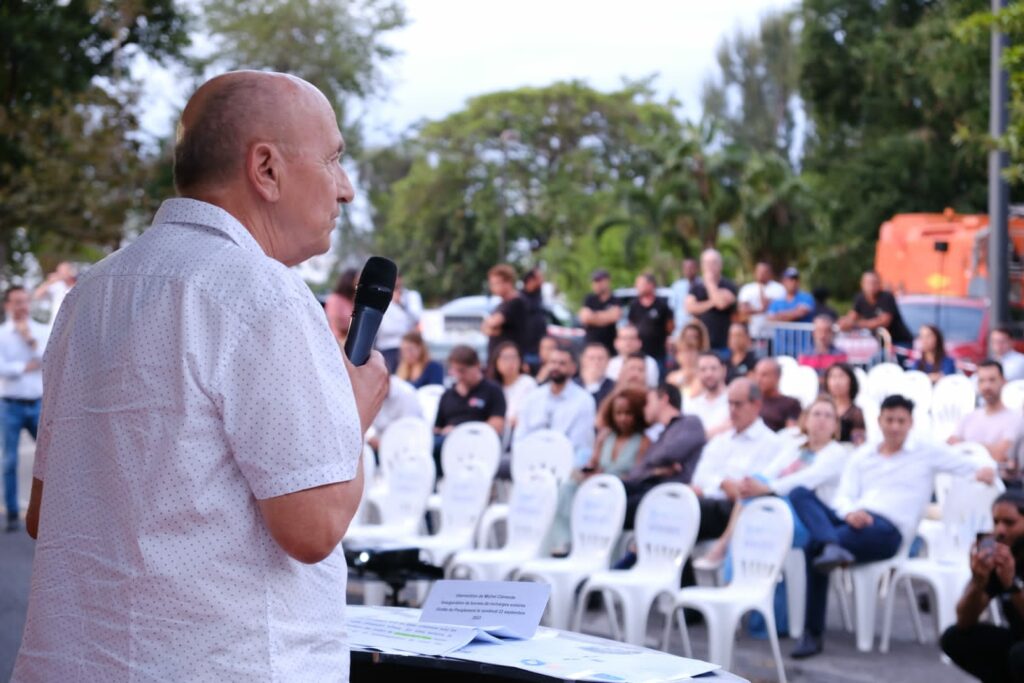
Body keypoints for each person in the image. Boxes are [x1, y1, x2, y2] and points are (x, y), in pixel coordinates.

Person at [13, 71, 390, 681]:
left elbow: (45, 512)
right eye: (333, 159)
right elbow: (313, 527)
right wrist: (354, 414)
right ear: (265, 168)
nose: (344, 189)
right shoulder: (261, 290)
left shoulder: (92, 291)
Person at [788, 394, 996, 659]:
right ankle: (830, 545)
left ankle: (812, 631)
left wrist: (988, 469)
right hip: (852, 521)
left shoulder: (926, 451)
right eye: (890, 420)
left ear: (910, 423)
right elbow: (843, 496)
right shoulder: (864, 454)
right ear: (879, 421)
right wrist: (851, 512)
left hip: (887, 530)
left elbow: (973, 463)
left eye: (901, 421)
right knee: (799, 493)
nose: (895, 427)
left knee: (812, 547)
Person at [697, 396, 847, 568]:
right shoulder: (796, 447)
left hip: (808, 518)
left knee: (753, 512)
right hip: (779, 507)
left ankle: (723, 545)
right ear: (805, 420)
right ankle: (736, 574)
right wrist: (752, 484)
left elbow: (806, 480)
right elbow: (770, 471)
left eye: (828, 416)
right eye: (817, 414)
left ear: (836, 425)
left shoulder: (836, 453)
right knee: (752, 505)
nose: (822, 419)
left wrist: (766, 488)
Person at [548, 388, 649, 553]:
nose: (623, 418)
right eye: (619, 413)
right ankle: (564, 542)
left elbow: (637, 475)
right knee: (566, 488)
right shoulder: (605, 436)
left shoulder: (643, 441)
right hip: (595, 486)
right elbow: (593, 463)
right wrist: (588, 473)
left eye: (628, 413)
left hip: (620, 491)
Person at [941, 490, 1024, 683]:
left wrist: (1012, 585)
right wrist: (979, 582)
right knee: (955, 638)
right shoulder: (1002, 557)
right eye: (996, 522)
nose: (1000, 531)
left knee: (1019, 655)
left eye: (1009, 523)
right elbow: (964, 620)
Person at [690, 378, 782, 540]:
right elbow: (699, 475)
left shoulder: (771, 443)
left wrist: (717, 485)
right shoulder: (721, 440)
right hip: (709, 501)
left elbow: (747, 487)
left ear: (756, 405)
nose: (732, 410)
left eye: (738, 404)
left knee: (688, 509)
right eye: (729, 403)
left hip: (740, 510)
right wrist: (722, 483)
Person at [620, 383, 706, 528]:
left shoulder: (690, 422)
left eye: (648, 402)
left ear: (664, 399)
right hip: (648, 487)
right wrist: (655, 470)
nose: (644, 409)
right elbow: (637, 472)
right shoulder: (662, 433)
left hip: (669, 493)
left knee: (621, 505)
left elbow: (668, 453)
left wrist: (652, 465)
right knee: (610, 490)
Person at [0, 286, 49, 532]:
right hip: (10, 405)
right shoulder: (1, 334)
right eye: (16, 302)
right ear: (7, 305)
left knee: (50, 459)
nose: (22, 307)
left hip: (38, 404)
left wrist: (28, 339)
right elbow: (2, 368)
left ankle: (48, 512)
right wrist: (25, 367)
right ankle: (11, 513)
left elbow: (48, 357)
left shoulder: (41, 331)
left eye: (25, 301)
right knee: (9, 461)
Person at [514, 345, 596, 467]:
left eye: (562, 363)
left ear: (573, 368)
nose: (556, 367)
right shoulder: (533, 397)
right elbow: (520, 437)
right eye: (553, 362)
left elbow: (580, 445)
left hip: (565, 463)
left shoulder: (584, 401)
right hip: (530, 461)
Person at [434, 345, 506, 476]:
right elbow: (437, 428)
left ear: (477, 366)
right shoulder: (448, 395)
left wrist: (459, 431)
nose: (459, 376)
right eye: (455, 371)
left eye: (462, 371)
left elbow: (497, 425)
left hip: (478, 444)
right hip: (447, 445)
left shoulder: (492, 390)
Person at [950, 360, 1023, 481]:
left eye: (992, 380)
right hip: (965, 482)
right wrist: (988, 449)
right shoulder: (968, 418)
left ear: (1003, 382)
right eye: (981, 381)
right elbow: (950, 447)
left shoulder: (1016, 418)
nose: (986, 386)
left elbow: (1000, 455)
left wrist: (966, 448)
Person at [838, 270, 913, 350]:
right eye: (868, 283)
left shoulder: (886, 297)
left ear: (879, 284)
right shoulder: (860, 298)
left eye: (874, 283)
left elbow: (884, 322)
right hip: (878, 343)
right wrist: (843, 323)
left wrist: (856, 324)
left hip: (899, 342)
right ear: (862, 284)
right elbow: (851, 317)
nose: (871, 286)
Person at [686, 248, 738, 354]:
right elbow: (690, 308)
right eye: (707, 263)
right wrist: (713, 301)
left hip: (723, 343)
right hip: (701, 343)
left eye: (713, 262)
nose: (710, 266)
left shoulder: (729, 285)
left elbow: (721, 304)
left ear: (720, 265)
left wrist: (710, 284)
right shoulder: (696, 287)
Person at [488, 341, 537, 447]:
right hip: (493, 435)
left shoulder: (527, 383)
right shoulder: (490, 387)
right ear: (496, 361)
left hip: (519, 435)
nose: (510, 362)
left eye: (514, 357)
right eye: (505, 358)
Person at [375, 274, 422, 373]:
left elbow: (417, 318)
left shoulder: (411, 296)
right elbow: (382, 327)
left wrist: (401, 304)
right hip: (387, 347)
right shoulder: (379, 297)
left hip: (408, 345)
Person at [627, 273, 674, 370]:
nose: (637, 287)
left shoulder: (661, 305)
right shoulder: (634, 305)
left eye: (640, 284)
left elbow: (670, 326)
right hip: (639, 352)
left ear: (650, 285)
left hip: (658, 353)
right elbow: (630, 325)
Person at [482, 263, 528, 361]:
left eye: (495, 283)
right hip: (497, 359)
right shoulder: (501, 304)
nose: (492, 287)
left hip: (509, 361)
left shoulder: (516, 302)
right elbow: (485, 328)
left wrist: (493, 327)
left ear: (508, 282)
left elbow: (493, 322)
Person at [367, 375, 422, 453]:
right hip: (380, 443)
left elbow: (409, 431)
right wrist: (371, 437)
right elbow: (367, 425)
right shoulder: (370, 394)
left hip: (409, 445)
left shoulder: (407, 394)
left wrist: (384, 444)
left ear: (387, 381)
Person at [684, 352, 731, 438]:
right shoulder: (691, 403)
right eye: (703, 369)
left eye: (713, 368)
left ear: (724, 370)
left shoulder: (735, 400)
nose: (708, 374)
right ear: (697, 373)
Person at [737, 261, 785, 340]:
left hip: (774, 335)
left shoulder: (779, 288)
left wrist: (753, 309)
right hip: (753, 333)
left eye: (764, 271)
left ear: (770, 273)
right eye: (759, 271)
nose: (761, 274)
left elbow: (775, 307)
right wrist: (760, 310)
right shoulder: (747, 289)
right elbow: (743, 310)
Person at [579, 268, 621, 355]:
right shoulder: (589, 299)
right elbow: (585, 318)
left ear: (608, 281)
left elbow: (615, 316)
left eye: (599, 281)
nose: (597, 284)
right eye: (595, 281)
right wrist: (606, 316)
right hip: (591, 346)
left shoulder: (615, 299)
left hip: (609, 347)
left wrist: (594, 317)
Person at [754, 357, 802, 432]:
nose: (759, 379)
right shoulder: (750, 402)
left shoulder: (791, 404)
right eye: (757, 374)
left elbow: (792, 433)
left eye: (764, 375)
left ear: (777, 377)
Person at [824, 363, 867, 445]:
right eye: (832, 377)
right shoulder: (821, 409)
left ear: (851, 381)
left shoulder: (856, 413)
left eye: (841, 376)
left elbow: (859, 445)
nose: (837, 382)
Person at [606, 324, 659, 388]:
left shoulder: (649, 362)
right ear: (616, 342)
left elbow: (652, 387)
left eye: (632, 338)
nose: (628, 342)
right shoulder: (611, 363)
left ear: (640, 342)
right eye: (624, 338)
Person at [519, 267, 548, 372]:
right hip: (525, 352)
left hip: (539, 350)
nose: (542, 280)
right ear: (531, 280)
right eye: (539, 278)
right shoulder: (520, 299)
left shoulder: (538, 297)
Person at [577, 341, 615, 408]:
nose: (596, 362)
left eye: (600, 358)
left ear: (608, 361)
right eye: (591, 358)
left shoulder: (615, 388)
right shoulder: (571, 385)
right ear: (582, 360)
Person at [325, 267, 358, 342]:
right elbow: (335, 322)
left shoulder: (352, 300)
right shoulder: (335, 299)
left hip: (350, 340)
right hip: (338, 341)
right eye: (357, 279)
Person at [669, 258, 699, 331]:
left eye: (691, 267)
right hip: (681, 328)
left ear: (697, 268)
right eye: (686, 268)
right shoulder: (677, 286)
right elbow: (672, 308)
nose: (688, 270)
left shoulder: (703, 285)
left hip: (698, 327)